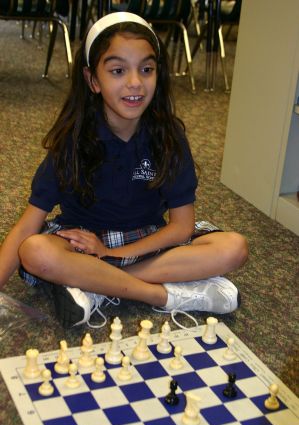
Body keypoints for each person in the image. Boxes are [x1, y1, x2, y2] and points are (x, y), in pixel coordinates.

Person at [0, 12, 248, 329]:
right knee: (35, 252)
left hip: (147, 243)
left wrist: (111, 255)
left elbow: (181, 227)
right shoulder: (72, 141)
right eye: (118, 70)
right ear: (92, 80)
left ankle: (94, 286)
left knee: (233, 248)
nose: (135, 83)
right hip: (82, 246)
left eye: (146, 69)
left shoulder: (168, 137)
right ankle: (159, 295)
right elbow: (26, 228)